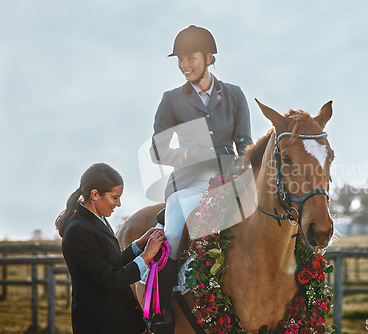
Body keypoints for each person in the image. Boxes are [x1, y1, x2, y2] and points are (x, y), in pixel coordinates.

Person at [149, 25, 253, 316]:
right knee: (171, 235)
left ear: (208, 57)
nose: (184, 65)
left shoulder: (234, 95)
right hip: (188, 182)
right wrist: (186, 154)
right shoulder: (171, 99)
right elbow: (157, 150)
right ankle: (161, 311)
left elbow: (244, 141)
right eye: (179, 60)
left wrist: (244, 168)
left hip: (229, 180)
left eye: (190, 58)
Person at [56, 163, 166, 334]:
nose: (119, 204)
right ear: (94, 195)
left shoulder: (97, 219)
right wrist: (147, 256)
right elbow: (110, 281)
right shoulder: (78, 230)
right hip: (101, 323)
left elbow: (112, 263)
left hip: (118, 320)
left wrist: (139, 244)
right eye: (115, 197)